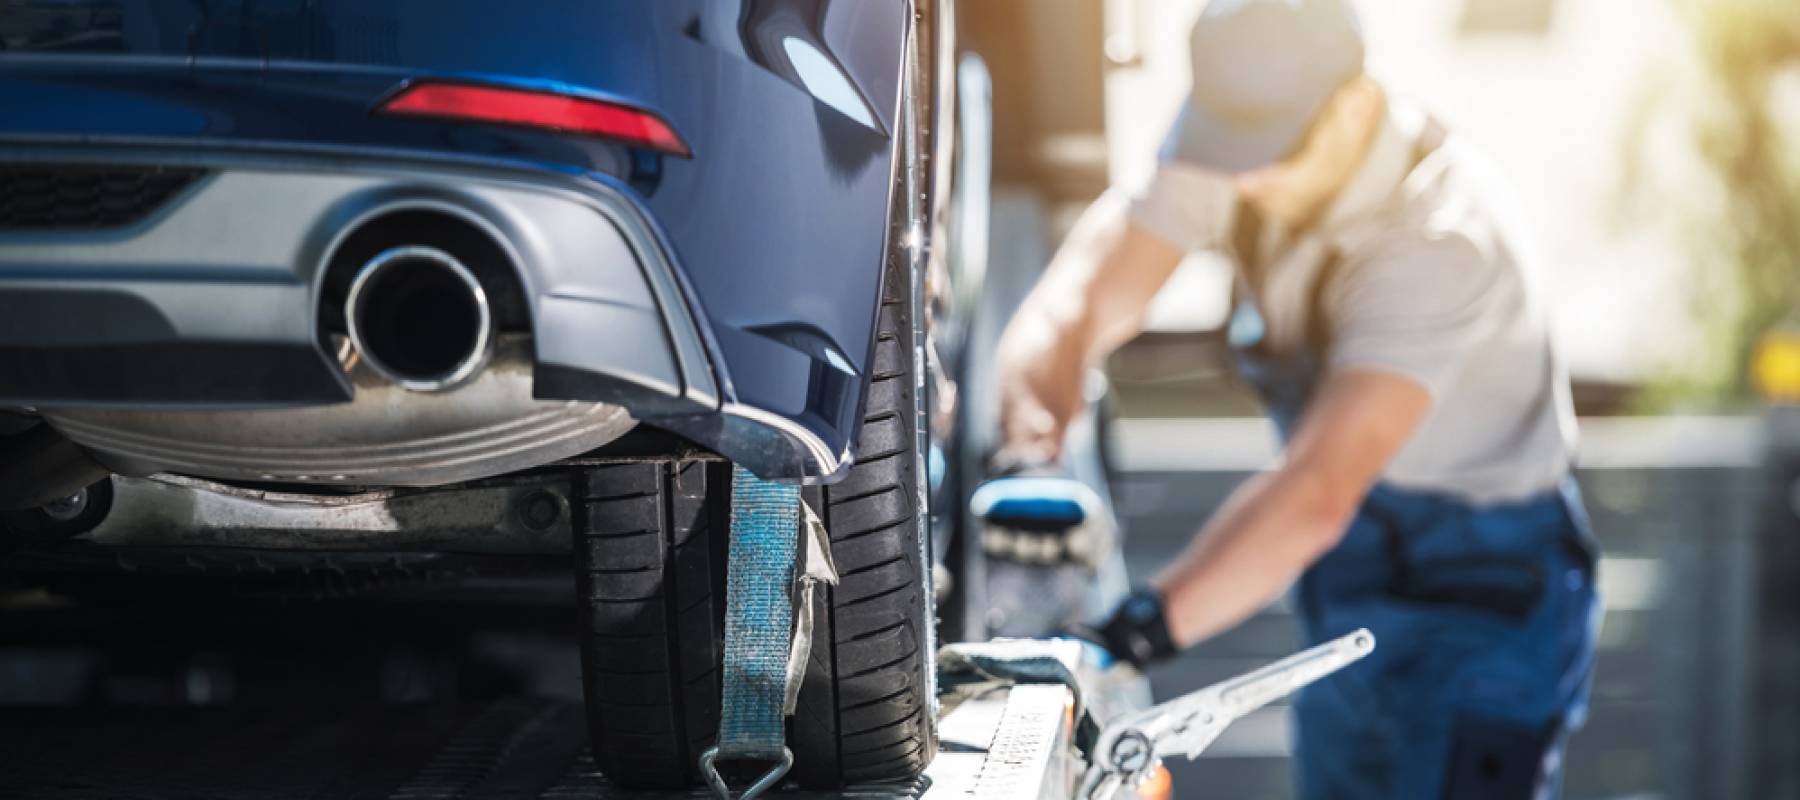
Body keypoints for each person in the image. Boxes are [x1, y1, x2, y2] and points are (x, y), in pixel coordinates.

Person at [993, 1, 1601, 797]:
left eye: (1266, 155)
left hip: (1482, 592)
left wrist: (1126, 635)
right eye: (1226, 151)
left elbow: (1317, 491)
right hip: (1353, 568)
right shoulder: (1241, 137)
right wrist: (1037, 384)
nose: (1241, 178)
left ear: (1357, 109)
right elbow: (1088, 291)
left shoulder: (1442, 240)